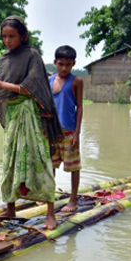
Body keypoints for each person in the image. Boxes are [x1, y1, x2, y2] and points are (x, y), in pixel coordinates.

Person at [0, 16, 64, 229]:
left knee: (39, 160)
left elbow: (33, 86)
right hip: (13, 117)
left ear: (23, 36)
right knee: (10, 160)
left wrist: (2, 83)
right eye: (4, 36)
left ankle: (51, 212)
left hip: (30, 115)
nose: (7, 40)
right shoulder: (4, 60)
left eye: (12, 36)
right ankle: (10, 207)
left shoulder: (32, 55)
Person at [49, 45, 84, 212]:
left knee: (73, 167)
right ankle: (48, 196)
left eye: (68, 65)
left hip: (69, 131)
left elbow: (80, 107)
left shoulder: (76, 81)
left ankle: (73, 200)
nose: (64, 68)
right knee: (50, 166)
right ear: (55, 62)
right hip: (52, 132)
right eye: (61, 64)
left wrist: (77, 132)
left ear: (73, 64)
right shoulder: (49, 81)